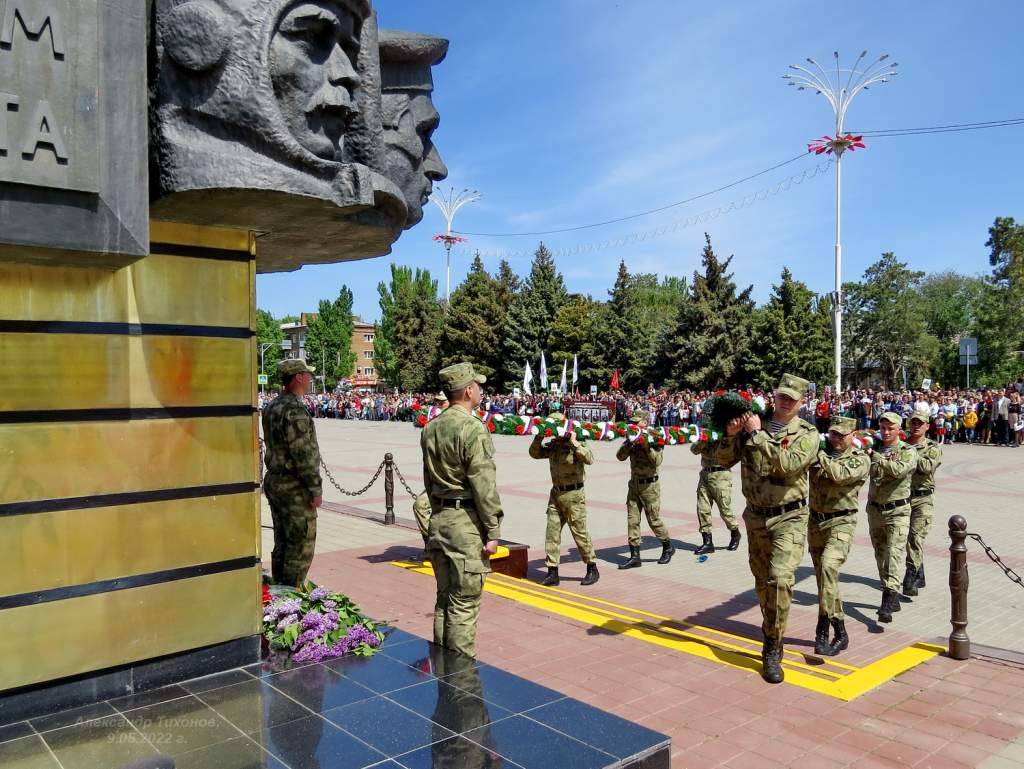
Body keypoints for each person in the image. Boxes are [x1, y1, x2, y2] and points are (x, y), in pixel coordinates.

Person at [717, 373, 818, 684]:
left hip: (789, 517)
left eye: (792, 398)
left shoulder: (807, 434)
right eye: (782, 395)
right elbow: (721, 460)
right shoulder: (752, 423)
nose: (785, 402)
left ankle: (773, 645)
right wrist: (732, 435)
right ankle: (771, 624)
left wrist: (757, 436)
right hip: (756, 518)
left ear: (802, 402)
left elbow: (787, 465)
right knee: (763, 582)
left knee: (779, 580)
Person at [420, 362, 504, 658]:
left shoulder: (431, 427)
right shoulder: (472, 428)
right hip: (466, 525)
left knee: (444, 601)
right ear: (468, 390)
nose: (480, 390)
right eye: (478, 386)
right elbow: (483, 486)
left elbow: (428, 483)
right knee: (464, 605)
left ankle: (444, 674)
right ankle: (460, 686)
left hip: (440, 520)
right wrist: (493, 530)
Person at [808, 416, 869, 656]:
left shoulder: (860, 459)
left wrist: (817, 454)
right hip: (815, 522)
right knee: (825, 581)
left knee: (828, 568)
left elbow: (839, 475)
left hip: (841, 522)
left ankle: (822, 630)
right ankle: (840, 632)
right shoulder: (820, 455)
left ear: (853, 435)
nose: (836, 439)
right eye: (833, 434)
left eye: (842, 435)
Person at [262, 358, 323, 587]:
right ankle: (290, 597)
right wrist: (314, 489)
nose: (310, 379)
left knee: (283, 541)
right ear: (298, 377)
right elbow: (303, 454)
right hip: (295, 487)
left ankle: (278, 591)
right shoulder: (294, 410)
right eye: (308, 375)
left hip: (276, 481)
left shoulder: (272, 406)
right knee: (300, 546)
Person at [530, 413, 600, 587]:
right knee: (552, 533)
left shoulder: (576, 443)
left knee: (579, 533)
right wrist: (539, 437)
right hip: (556, 495)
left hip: (574, 495)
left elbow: (590, 459)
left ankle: (592, 567)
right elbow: (535, 453)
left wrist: (575, 443)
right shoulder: (554, 445)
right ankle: (552, 571)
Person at [867, 411, 917, 624]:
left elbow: (898, 469)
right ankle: (891, 591)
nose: (886, 432)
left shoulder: (908, 451)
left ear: (899, 430)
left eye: (891, 428)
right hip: (875, 510)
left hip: (898, 511)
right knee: (880, 554)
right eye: (883, 428)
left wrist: (874, 456)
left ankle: (888, 597)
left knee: (894, 553)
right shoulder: (872, 448)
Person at [615, 411, 675, 569]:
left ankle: (668, 546)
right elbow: (619, 456)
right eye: (632, 422)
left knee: (654, 520)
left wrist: (646, 445)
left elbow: (657, 461)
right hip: (634, 485)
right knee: (632, 520)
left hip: (650, 486)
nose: (634, 425)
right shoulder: (631, 437)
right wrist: (629, 443)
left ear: (646, 423)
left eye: (637, 422)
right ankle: (635, 556)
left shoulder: (655, 437)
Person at [903, 407, 942, 597]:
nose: (916, 426)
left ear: (927, 426)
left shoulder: (932, 447)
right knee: (905, 538)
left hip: (923, 498)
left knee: (915, 537)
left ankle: (910, 576)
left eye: (920, 423)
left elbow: (926, 467)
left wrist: (907, 453)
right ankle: (919, 571)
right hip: (902, 498)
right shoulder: (901, 443)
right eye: (913, 422)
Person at [690, 433, 740, 555]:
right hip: (705, 475)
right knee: (703, 509)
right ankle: (708, 542)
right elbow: (694, 450)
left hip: (721, 475)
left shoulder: (726, 434)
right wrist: (704, 439)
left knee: (724, 509)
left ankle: (735, 533)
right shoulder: (704, 436)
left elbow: (732, 452)